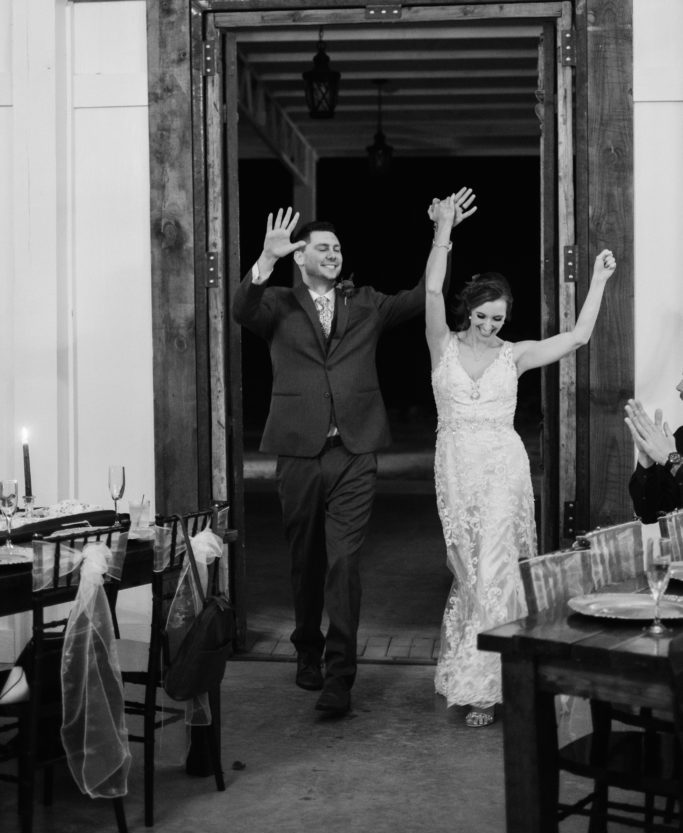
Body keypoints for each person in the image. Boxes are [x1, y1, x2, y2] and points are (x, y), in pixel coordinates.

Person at [231, 201, 459, 717]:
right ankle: (306, 649)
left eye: (337, 248)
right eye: (323, 248)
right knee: (305, 561)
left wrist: (442, 234)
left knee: (343, 562)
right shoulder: (278, 303)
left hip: (354, 453)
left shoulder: (367, 303)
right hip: (297, 452)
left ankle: (340, 676)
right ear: (300, 257)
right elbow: (241, 309)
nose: (333, 254)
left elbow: (423, 295)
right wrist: (264, 261)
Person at [425, 193, 616, 727]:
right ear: (468, 311)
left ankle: (489, 687)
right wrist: (444, 231)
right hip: (455, 468)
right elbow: (433, 288)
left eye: (499, 318)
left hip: (503, 470)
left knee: (496, 569)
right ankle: (481, 667)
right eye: (483, 316)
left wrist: (598, 281)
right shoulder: (441, 344)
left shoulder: (516, 354)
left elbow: (578, 337)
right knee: (469, 570)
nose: (490, 325)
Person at [625, 373, 683, 524]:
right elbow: (649, 514)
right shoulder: (681, 437)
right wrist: (647, 462)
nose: (679, 387)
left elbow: (673, 461)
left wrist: (673, 461)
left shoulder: (673, 455)